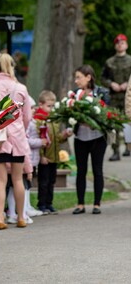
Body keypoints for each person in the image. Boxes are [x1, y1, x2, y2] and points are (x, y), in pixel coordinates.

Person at [0, 53, 32, 229]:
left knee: (1, 180)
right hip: (18, 138)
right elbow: (27, 117)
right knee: (18, 179)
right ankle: (20, 217)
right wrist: (20, 128)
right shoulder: (21, 88)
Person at [28, 90, 72, 214]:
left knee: (52, 181)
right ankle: (41, 204)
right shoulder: (38, 120)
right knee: (43, 182)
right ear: (40, 105)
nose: (51, 109)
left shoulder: (54, 119)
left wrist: (64, 136)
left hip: (54, 156)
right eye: (49, 106)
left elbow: (56, 138)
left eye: (53, 106)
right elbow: (39, 139)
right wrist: (42, 156)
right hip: (45, 157)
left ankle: (49, 203)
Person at [73, 65, 108, 215]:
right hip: (80, 137)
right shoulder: (74, 94)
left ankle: (97, 204)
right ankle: (80, 204)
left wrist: (94, 120)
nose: (76, 81)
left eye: (79, 77)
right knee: (81, 171)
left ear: (89, 77)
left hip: (98, 137)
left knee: (97, 170)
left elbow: (107, 113)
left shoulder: (102, 92)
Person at [101, 34, 131, 160]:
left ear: (126, 45)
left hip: (128, 97)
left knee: (128, 124)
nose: (120, 44)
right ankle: (115, 151)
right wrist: (111, 84)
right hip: (113, 97)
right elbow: (103, 78)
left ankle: (128, 148)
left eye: (122, 42)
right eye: (118, 43)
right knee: (113, 125)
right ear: (115, 45)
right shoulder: (109, 62)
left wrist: (127, 84)